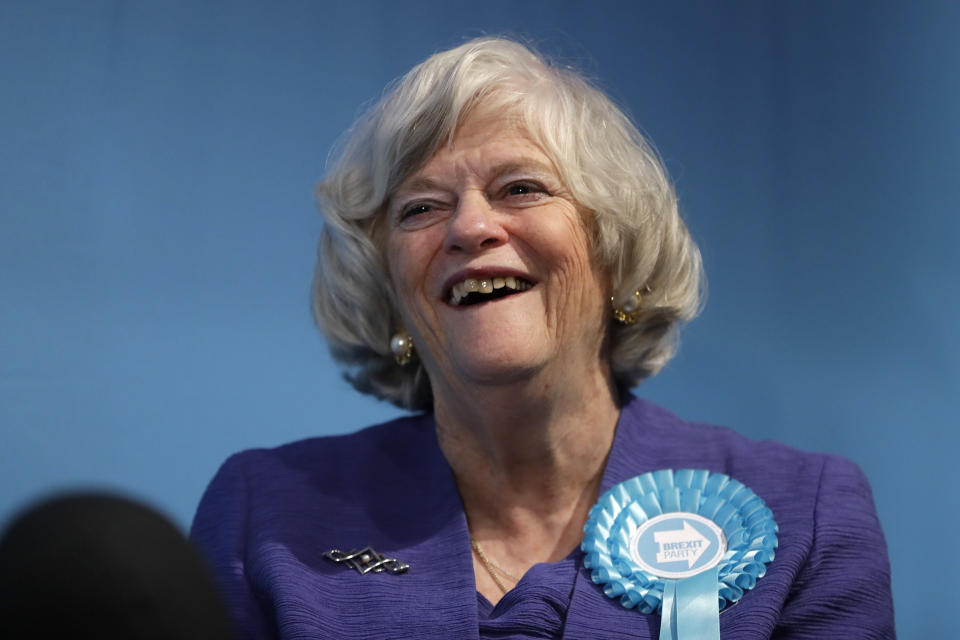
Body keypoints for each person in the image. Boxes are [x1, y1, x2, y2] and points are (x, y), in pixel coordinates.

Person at [191, 37, 895, 639]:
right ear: (388, 291)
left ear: (616, 252)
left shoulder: (803, 511)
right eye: (422, 207)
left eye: (521, 188)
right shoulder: (265, 516)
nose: (469, 228)